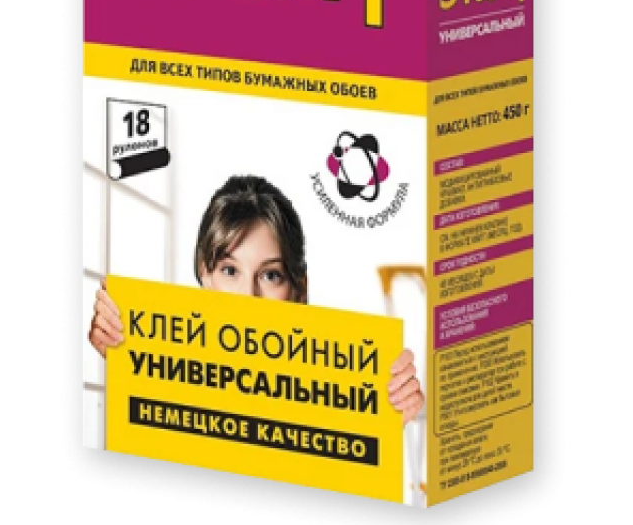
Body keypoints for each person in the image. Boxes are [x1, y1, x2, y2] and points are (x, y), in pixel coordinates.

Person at [89, 175, 425, 425]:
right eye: (230, 270)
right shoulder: (165, 377)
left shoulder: (335, 395)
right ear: (205, 276)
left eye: (270, 275)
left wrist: (386, 415)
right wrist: (118, 351)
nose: (248, 297)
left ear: (299, 290)